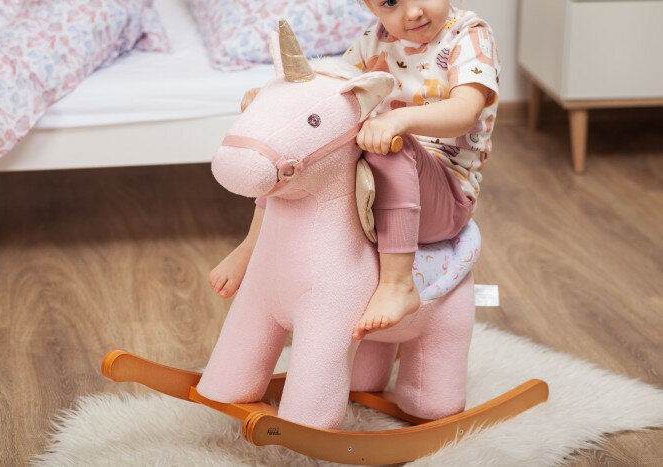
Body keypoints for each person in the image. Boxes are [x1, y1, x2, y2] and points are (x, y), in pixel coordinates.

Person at [210, 0, 500, 341]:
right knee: (306, 144)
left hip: (446, 196)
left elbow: (465, 110)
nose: (412, 13)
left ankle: (398, 284)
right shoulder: (374, 39)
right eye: (389, 3)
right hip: (381, 170)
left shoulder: (469, 34)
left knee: (393, 146)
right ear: (371, 7)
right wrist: (275, 99)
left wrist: (398, 119)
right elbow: (327, 94)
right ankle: (253, 245)